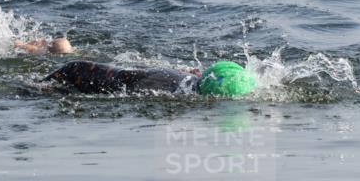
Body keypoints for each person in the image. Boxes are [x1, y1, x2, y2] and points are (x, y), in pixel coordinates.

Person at [43, 59, 257, 97]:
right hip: (75, 72)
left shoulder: (190, 81)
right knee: (35, 91)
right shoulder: (168, 95)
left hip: (125, 72)